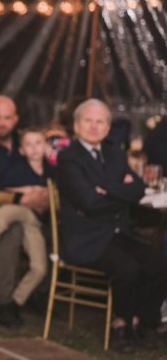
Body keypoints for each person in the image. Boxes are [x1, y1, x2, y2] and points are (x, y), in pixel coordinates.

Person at [58, 98, 167, 354]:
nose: (94, 126)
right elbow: (90, 202)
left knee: (159, 263)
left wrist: (105, 188)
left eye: (101, 122)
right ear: (76, 125)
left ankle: (141, 321)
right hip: (85, 238)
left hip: (117, 232)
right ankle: (120, 324)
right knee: (128, 268)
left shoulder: (115, 152)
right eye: (88, 120)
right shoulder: (69, 158)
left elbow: (138, 189)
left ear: (108, 127)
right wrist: (120, 189)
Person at [0, 95, 48, 328]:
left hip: (32, 210)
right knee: (13, 229)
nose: (2, 122)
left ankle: (37, 293)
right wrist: (20, 198)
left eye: (7, 117)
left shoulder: (26, 142)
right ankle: (3, 302)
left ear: (16, 119)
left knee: (54, 226)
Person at [0, 128, 53, 308]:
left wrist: (46, 194)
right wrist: (27, 190)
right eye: (29, 145)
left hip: (35, 221)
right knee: (3, 215)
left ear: (46, 146)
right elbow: (4, 186)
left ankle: (16, 301)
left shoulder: (51, 170)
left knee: (39, 268)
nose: (34, 148)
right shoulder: (18, 168)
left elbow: (55, 194)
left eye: (38, 143)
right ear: (22, 150)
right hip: (20, 211)